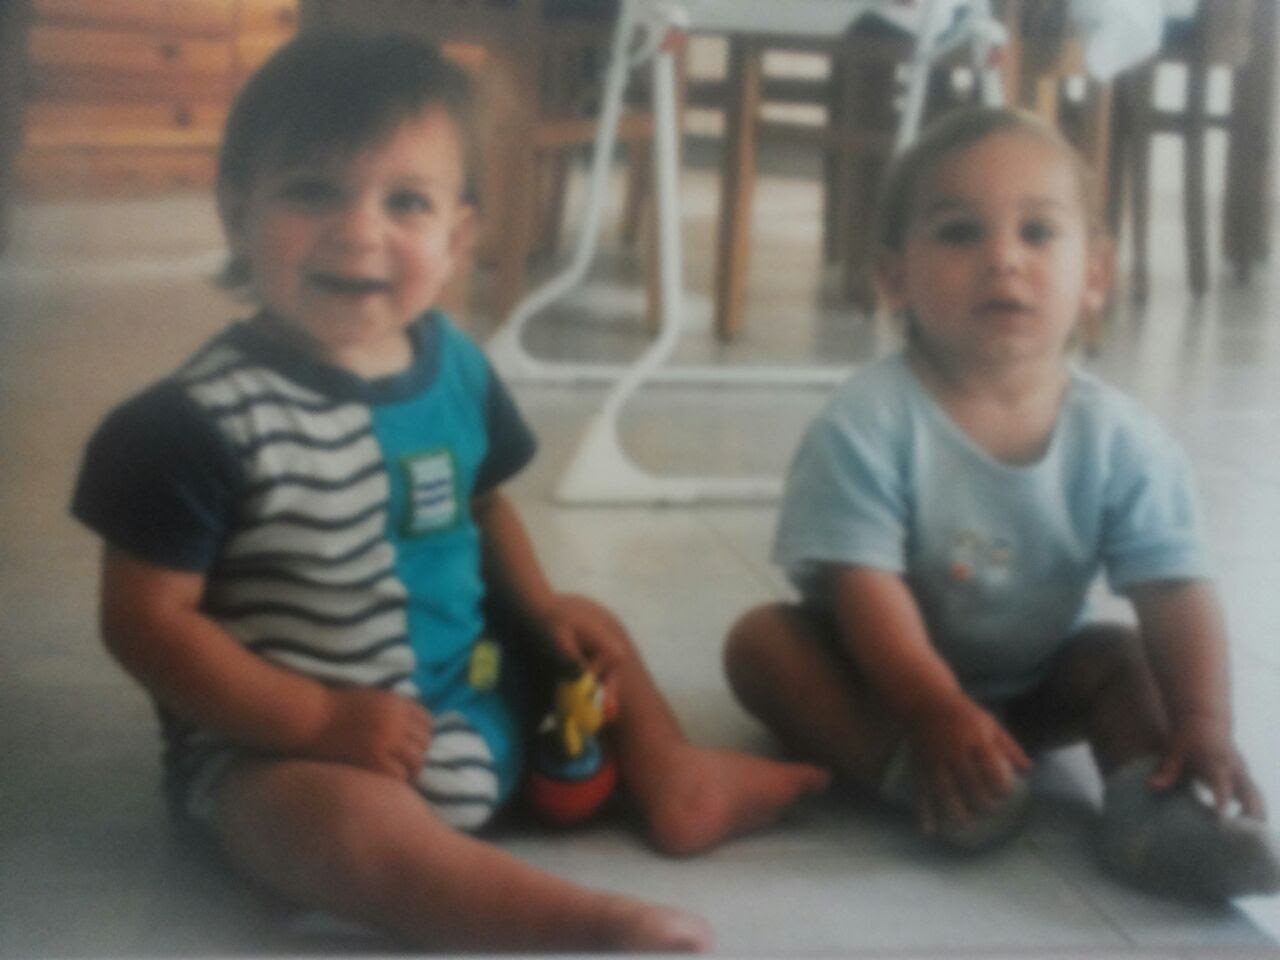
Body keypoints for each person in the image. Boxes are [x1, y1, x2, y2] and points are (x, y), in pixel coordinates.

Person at [71, 32, 827, 953]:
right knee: (320, 825)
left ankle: (674, 775)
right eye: (312, 191)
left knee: (587, 625)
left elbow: (480, 506)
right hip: (287, 746)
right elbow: (146, 624)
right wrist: (318, 719)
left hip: (467, 687)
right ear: (236, 210)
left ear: (459, 235)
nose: (359, 232)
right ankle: (561, 920)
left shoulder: (457, 368)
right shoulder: (187, 425)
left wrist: (540, 614)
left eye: (406, 202)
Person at [723, 106, 1279, 900]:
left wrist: (1203, 725)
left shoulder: (1124, 440)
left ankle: (1154, 808)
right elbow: (862, 587)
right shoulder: (866, 423)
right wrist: (931, 706)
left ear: (1096, 274)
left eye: (1039, 232)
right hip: (880, 681)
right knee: (762, 645)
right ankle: (921, 776)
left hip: (1037, 682)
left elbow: (1175, 588)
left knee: (1123, 657)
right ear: (893, 277)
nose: (1003, 259)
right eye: (960, 233)